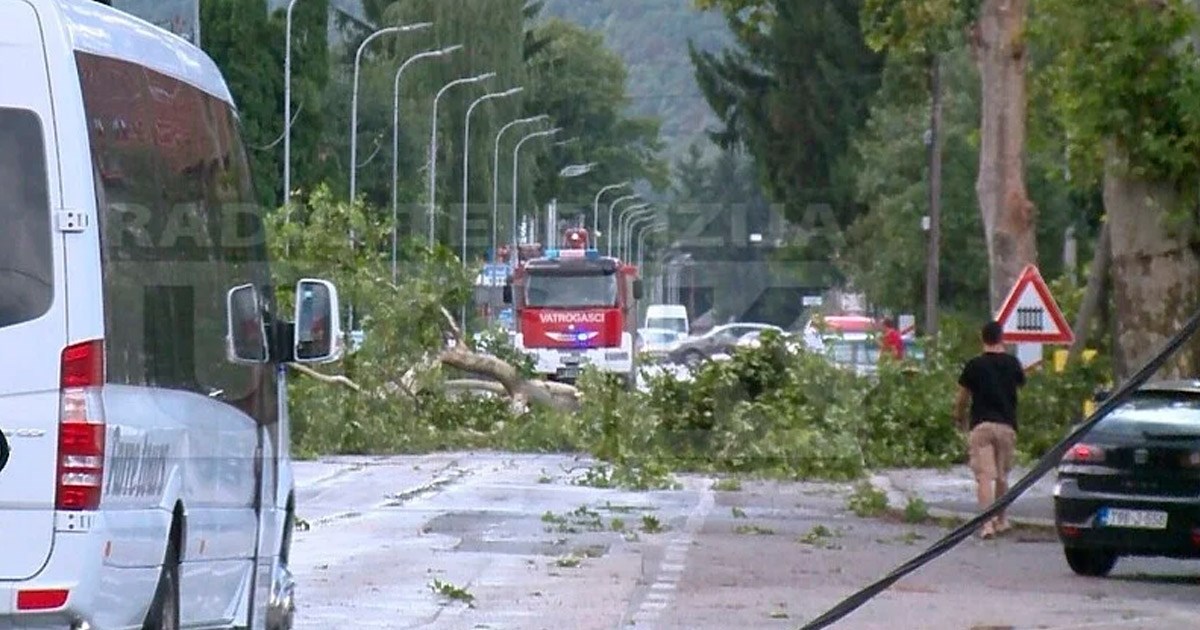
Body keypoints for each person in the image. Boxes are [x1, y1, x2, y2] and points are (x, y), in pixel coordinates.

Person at [954, 320, 1025, 539]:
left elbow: (962, 398)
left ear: (982, 338)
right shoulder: (1013, 363)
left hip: (982, 425)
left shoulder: (974, 365)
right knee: (1002, 476)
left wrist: (958, 417)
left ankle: (986, 524)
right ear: (1001, 337)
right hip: (1006, 425)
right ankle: (1001, 520)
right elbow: (1020, 388)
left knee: (985, 476)